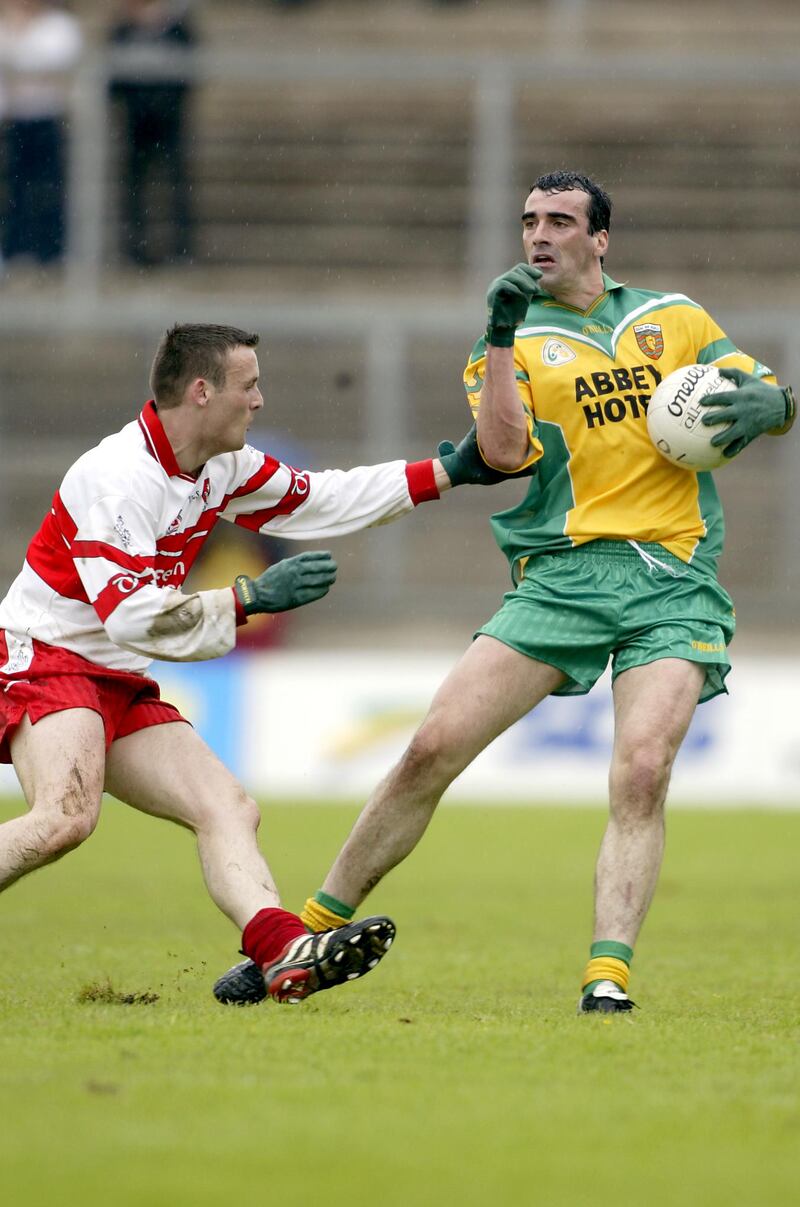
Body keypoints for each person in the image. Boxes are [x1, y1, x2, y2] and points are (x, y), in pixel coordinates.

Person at [213, 171, 796, 1012]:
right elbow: (499, 453)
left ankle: (607, 978)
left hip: (673, 578)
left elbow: (759, 397)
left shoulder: (678, 319)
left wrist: (780, 403)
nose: (539, 235)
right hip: (561, 577)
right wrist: (497, 332)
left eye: (561, 221)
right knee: (428, 749)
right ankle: (300, 937)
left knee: (640, 770)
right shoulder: (511, 343)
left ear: (601, 239)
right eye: (529, 222)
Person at [0, 322, 529, 1005]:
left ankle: (282, 953)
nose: (259, 400)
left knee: (229, 806)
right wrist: (244, 599)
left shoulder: (221, 467)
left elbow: (320, 498)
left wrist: (446, 473)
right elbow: (128, 614)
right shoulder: (115, 479)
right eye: (248, 385)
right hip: (48, 659)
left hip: (115, 672)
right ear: (200, 391)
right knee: (65, 817)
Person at [107, 1, 196, 266]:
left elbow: (192, 69)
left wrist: (166, 100)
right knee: (134, 187)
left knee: (176, 185)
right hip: (136, 119)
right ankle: (134, 249)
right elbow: (112, 76)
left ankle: (182, 249)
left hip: (168, 118)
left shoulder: (177, 28)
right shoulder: (123, 30)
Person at [0, 0, 82, 266]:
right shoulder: (6, 26)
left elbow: (57, 68)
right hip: (14, 118)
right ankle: (16, 247)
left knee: (50, 185)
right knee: (16, 187)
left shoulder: (57, 25)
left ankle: (53, 248)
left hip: (47, 115)